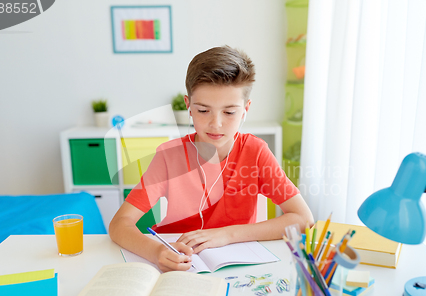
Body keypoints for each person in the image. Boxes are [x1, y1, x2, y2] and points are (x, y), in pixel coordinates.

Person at [109, 45, 314, 272]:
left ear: (246, 109)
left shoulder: (255, 152)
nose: (216, 124)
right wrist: (157, 251)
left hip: (237, 266)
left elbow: (303, 219)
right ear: (188, 105)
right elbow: (120, 224)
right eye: (203, 110)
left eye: (229, 112)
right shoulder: (169, 157)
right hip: (179, 266)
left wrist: (226, 234)